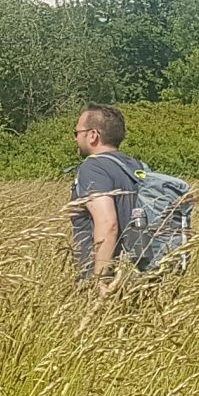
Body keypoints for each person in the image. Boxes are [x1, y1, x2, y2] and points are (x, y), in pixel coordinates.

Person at [65, 104, 140, 288]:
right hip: (134, 274)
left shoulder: (93, 168)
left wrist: (100, 279)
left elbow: (108, 224)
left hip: (107, 279)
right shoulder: (135, 167)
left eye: (77, 133)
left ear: (93, 135)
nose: (75, 139)